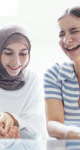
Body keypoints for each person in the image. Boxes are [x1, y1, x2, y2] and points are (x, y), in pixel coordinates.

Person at [44, 6, 80, 139]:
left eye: (74, 31)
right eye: (62, 34)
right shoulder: (54, 74)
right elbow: (53, 124)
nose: (66, 40)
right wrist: (74, 133)